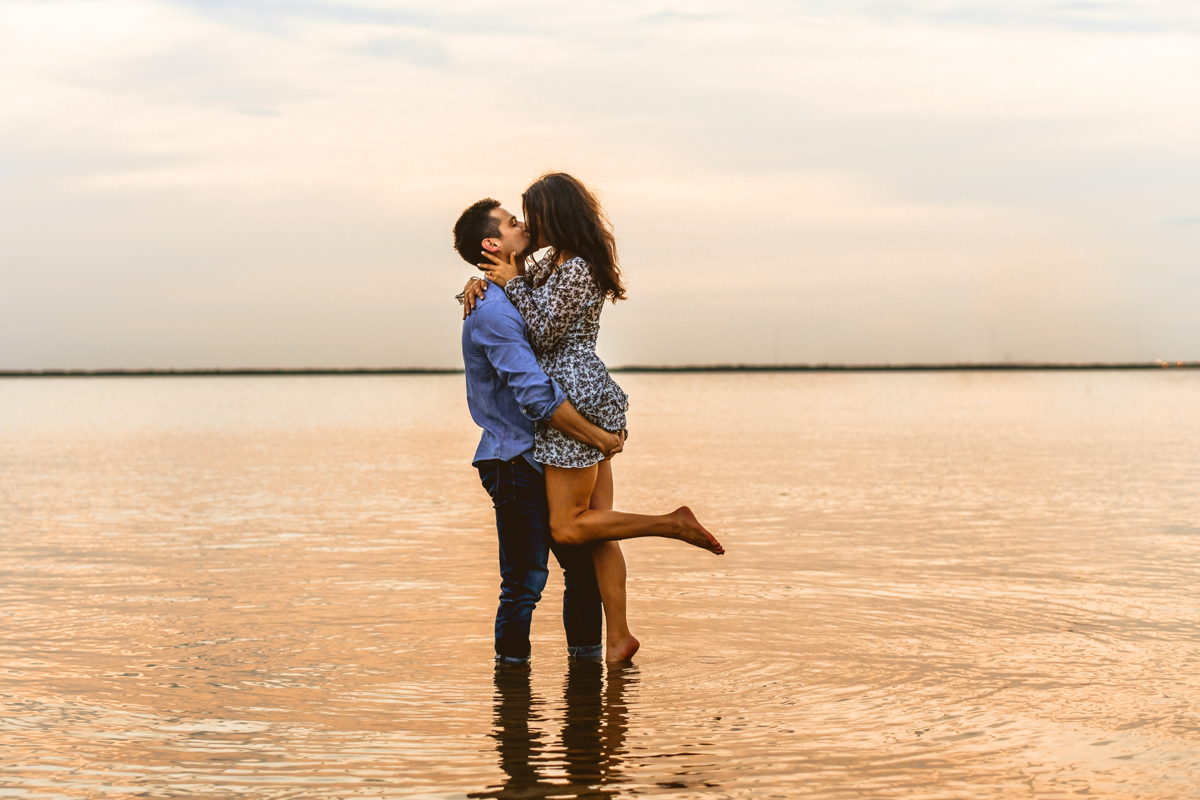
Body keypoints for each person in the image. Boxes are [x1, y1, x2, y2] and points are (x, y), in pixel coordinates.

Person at [463, 173, 724, 663]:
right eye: (518, 216)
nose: (527, 222)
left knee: (567, 527)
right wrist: (479, 280)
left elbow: (537, 331)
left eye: (530, 213)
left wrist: (510, 280)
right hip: (580, 391)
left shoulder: (577, 268)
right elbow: (516, 297)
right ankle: (619, 635)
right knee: (598, 526)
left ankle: (670, 524)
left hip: (575, 395)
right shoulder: (551, 264)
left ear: (553, 214)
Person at [453, 197, 625, 666]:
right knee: (524, 584)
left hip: (549, 452)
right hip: (515, 458)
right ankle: (512, 686)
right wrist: (597, 437)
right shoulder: (491, 310)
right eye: (513, 222)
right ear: (493, 243)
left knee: (582, 571)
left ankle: (586, 681)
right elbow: (536, 394)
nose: (524, 224)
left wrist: (480, 279)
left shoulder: (516, 287)